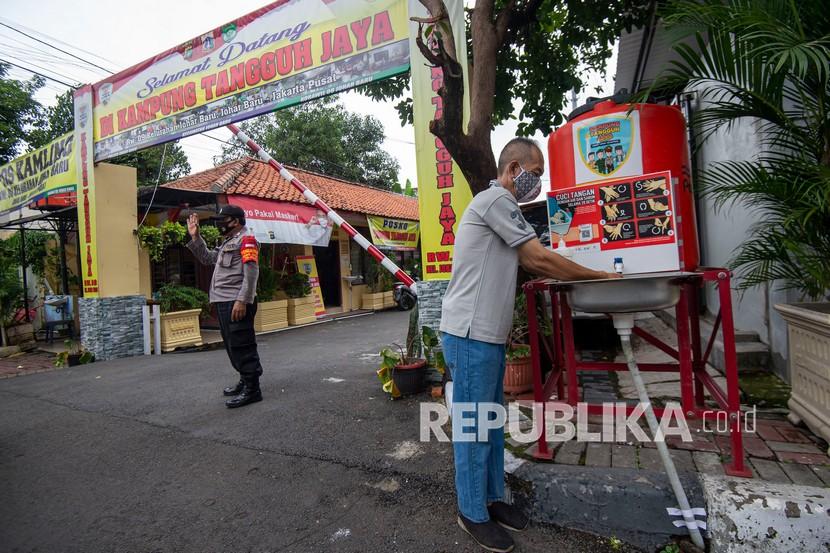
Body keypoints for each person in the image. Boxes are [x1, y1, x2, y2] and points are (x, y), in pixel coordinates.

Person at [440, 137, 619, 552]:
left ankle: (489, 499)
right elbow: (537, 258)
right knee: (473, 425)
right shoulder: (495, 200)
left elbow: (532, 258)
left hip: (485, 333)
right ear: (514, 168)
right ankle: (471, 511)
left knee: (490, 422)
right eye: (535, 175)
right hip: (469, 334)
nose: (536, 183)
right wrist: (598, 278)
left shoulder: (503, 208)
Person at [187, 206, 264, 409]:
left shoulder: (247, 240)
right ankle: (244, 379)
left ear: (236, 221)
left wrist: (242, 300)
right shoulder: (229, 241)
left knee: (242, 344)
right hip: (223, 300)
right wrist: (196, 238)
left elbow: (251, 273)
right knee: (232, 345)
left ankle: (253, 389)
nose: (220, 223)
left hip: (236, 301)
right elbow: (207, 258)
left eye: (224, 219)